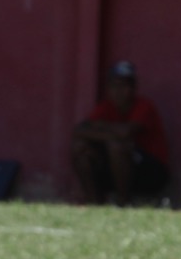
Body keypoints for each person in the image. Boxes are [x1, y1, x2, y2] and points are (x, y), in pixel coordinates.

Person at [70, 61, 171, 206]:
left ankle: (124, 202)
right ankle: (94, 203)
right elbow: (79, 131)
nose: (119, 91)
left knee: (116, 146)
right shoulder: (106, 107)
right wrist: (112, 134)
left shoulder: (144, 106)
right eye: (114, 86)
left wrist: (102, 127)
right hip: (116, 170)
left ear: (134, 88)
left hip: (150, 173)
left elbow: (126, 133)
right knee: (81, 147)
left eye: (124, 86)